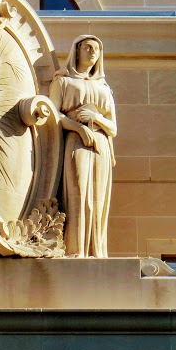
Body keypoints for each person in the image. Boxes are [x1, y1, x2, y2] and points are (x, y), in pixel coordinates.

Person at [49, 35, 117, 258]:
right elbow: (54, 116)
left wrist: (95, 119)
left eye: (97, 49)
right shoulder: (63, 81)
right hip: (76, 141)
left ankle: (97, 251)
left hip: (101, 145)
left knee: (97, 198)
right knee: (78, 193)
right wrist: (79, 128)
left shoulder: (104, 87)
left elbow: (113, 128)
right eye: (88, 47)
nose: (93, 52)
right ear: (76, 51)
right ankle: (75, 249)